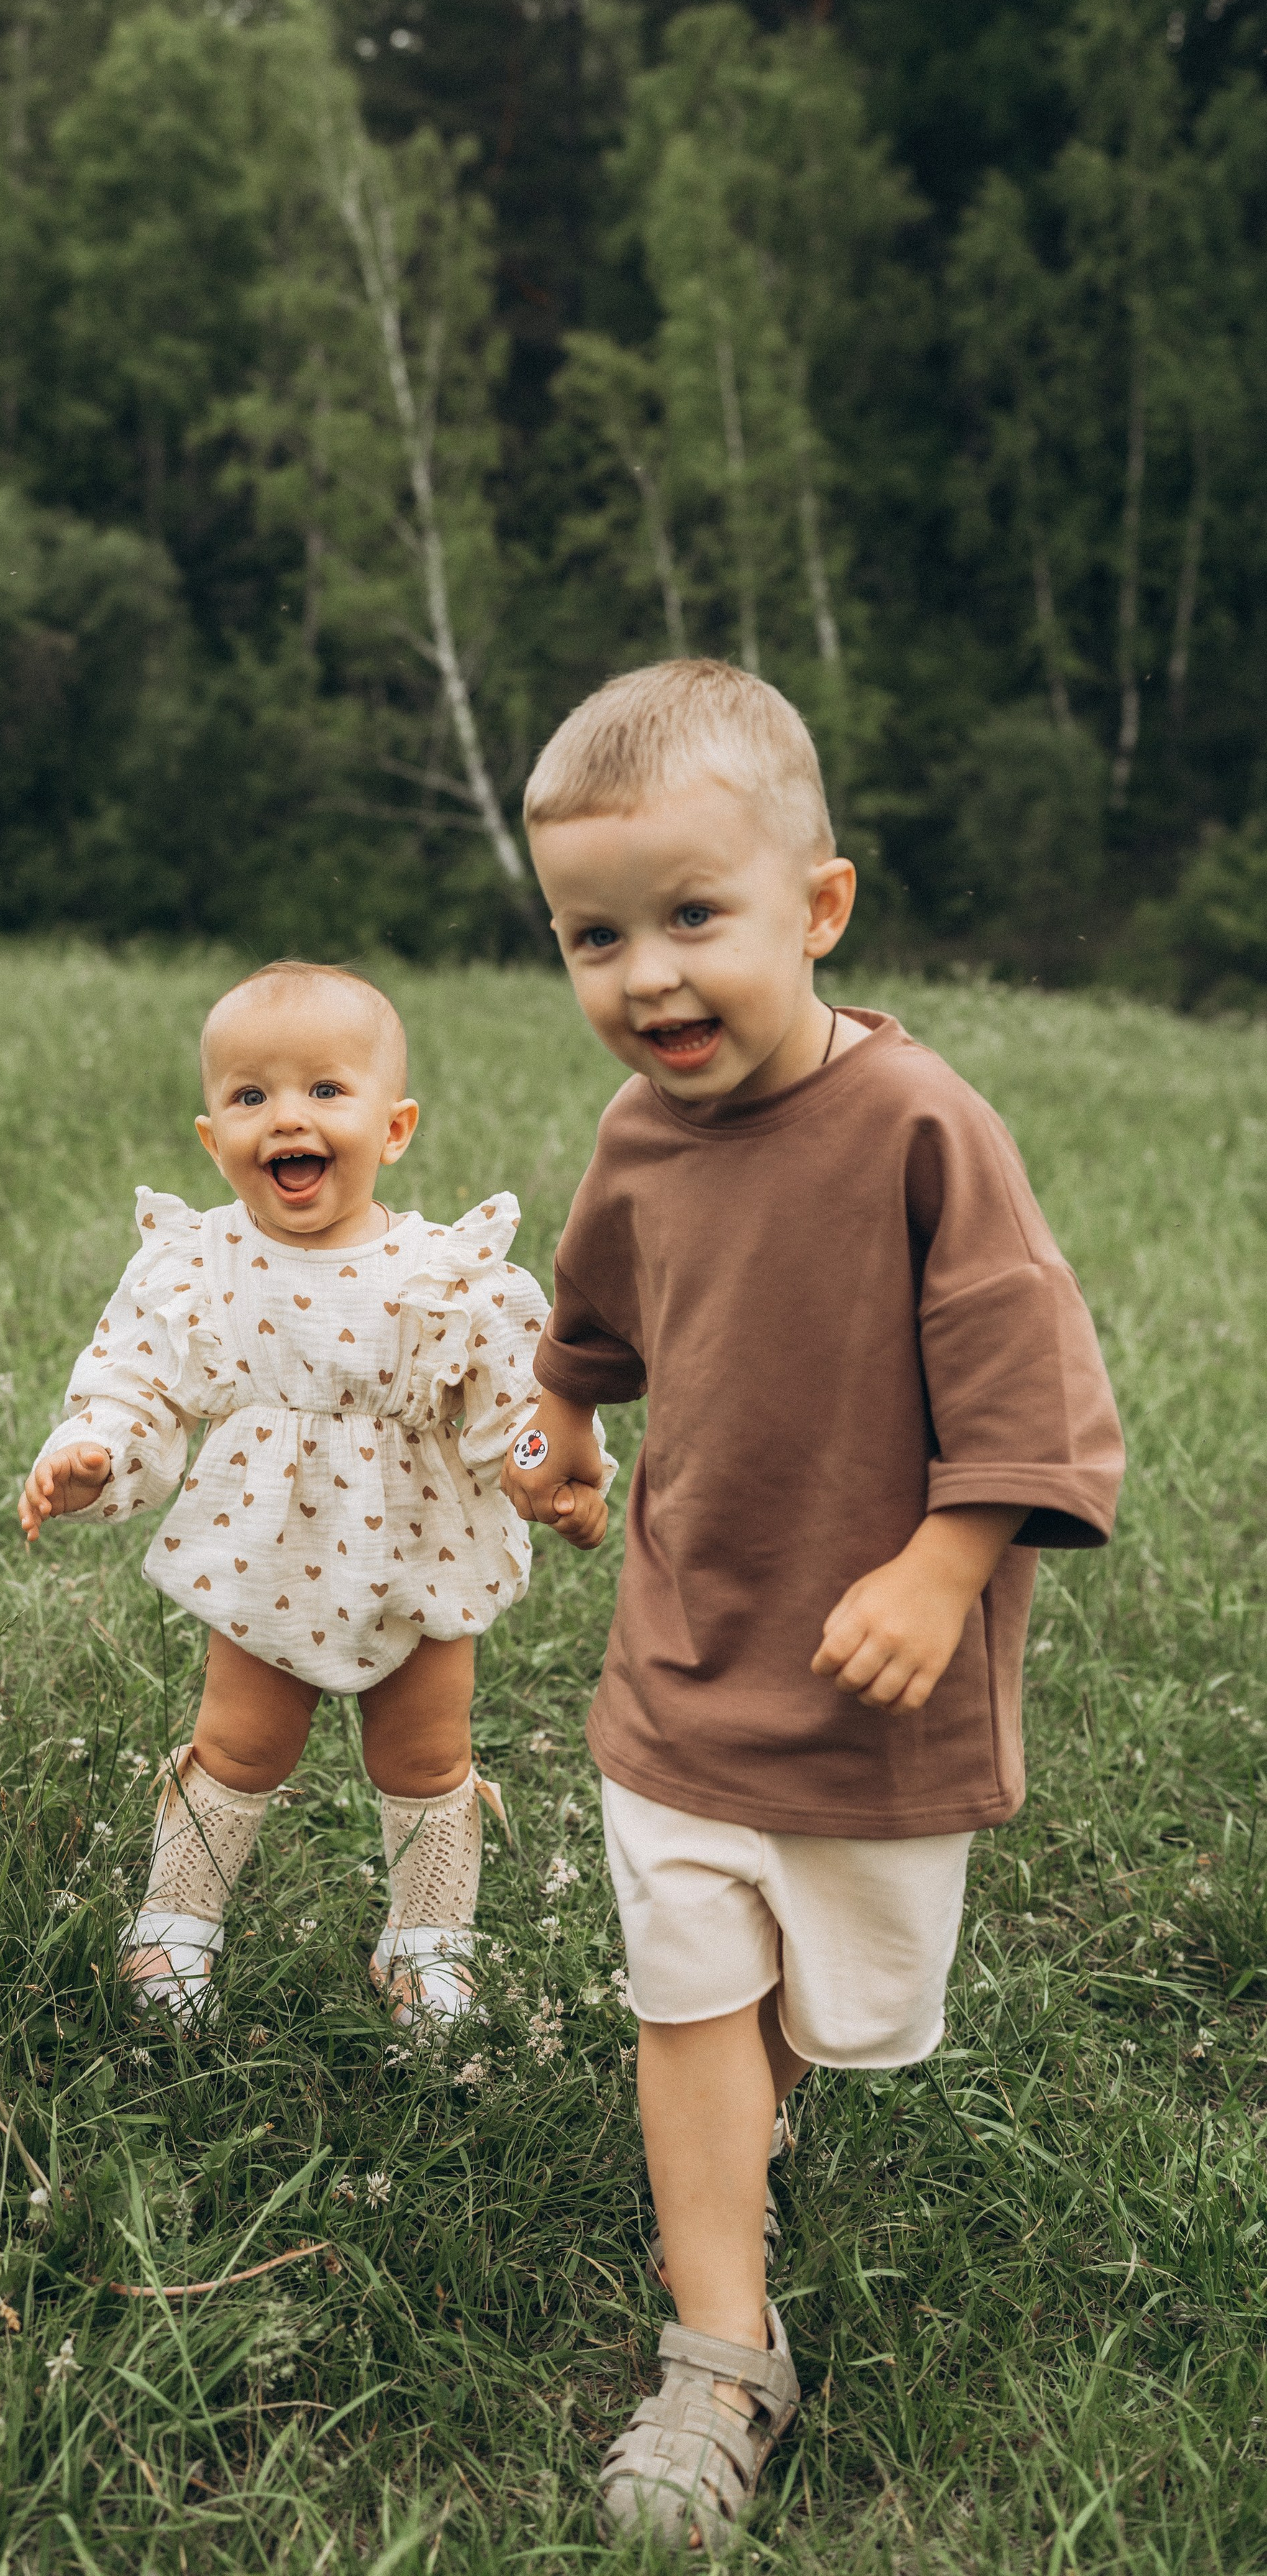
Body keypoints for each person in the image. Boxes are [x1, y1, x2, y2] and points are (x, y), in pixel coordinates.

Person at [500, 659, 1124, 2550]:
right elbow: (599, 1320)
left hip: (873, 1693)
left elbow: (1038, 1389)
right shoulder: (637, 1139)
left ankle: (757, 2113)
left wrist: (949, 1565)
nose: (649, 978)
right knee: (690, 1984)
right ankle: (719, 2352)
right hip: (688, 1657)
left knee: (826, 2010)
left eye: (696, 918)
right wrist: (561, 1425)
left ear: (820, 908)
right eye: (595, 937)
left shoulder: (925, 1128)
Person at [20, 959, 596, 2026]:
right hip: (265, 1553)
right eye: (251, 1097)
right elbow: (140, 1380)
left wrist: (550, 1475)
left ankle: (427, 1947)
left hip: (422, 1548)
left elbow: (513, 1401)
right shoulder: (203, 1265)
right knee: (241, 1744)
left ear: (395, 1126)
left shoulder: (445, 1272)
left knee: (429, 1756)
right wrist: (93, 1448)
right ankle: (175, 1925)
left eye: (326, 1091)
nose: (286, 1116)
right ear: (214, 1138)